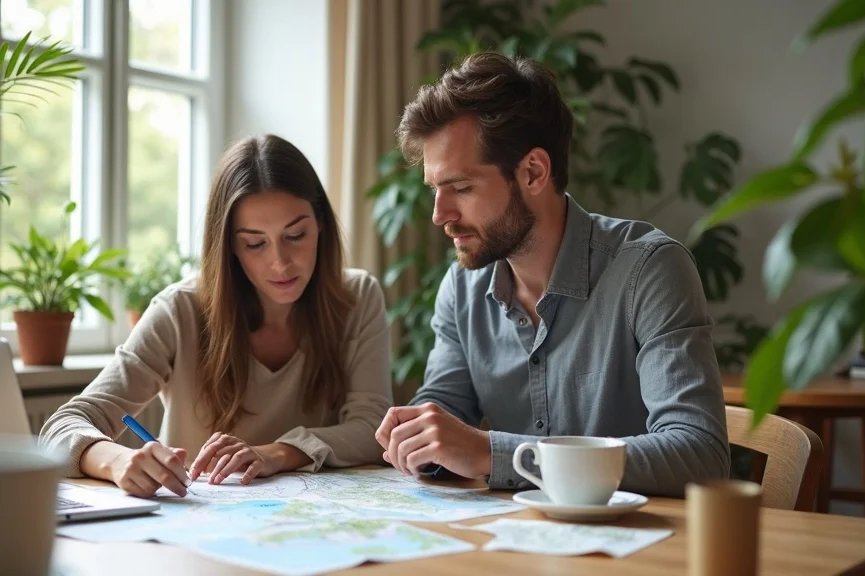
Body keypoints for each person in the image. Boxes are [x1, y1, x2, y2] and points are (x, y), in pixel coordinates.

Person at [374, 52, 730, 497]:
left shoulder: (650, 270)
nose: (438, 215)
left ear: (534, 172)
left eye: (461, 188)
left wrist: (492, 454)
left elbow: (699, 454)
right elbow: (444, 408)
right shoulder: (462, 289)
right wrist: (418, 436)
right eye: (435, 190)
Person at [40, 134, 393, 498]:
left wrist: (275, 454)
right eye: (255, 243)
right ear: (229, 246)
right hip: (198, 527)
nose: (280, 262)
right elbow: (61, 427)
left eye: (296, 234)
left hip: (312, 528)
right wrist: (117, 461)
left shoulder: (357, 298)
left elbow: (372, 427)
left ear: (320, 224)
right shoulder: (179, 310)